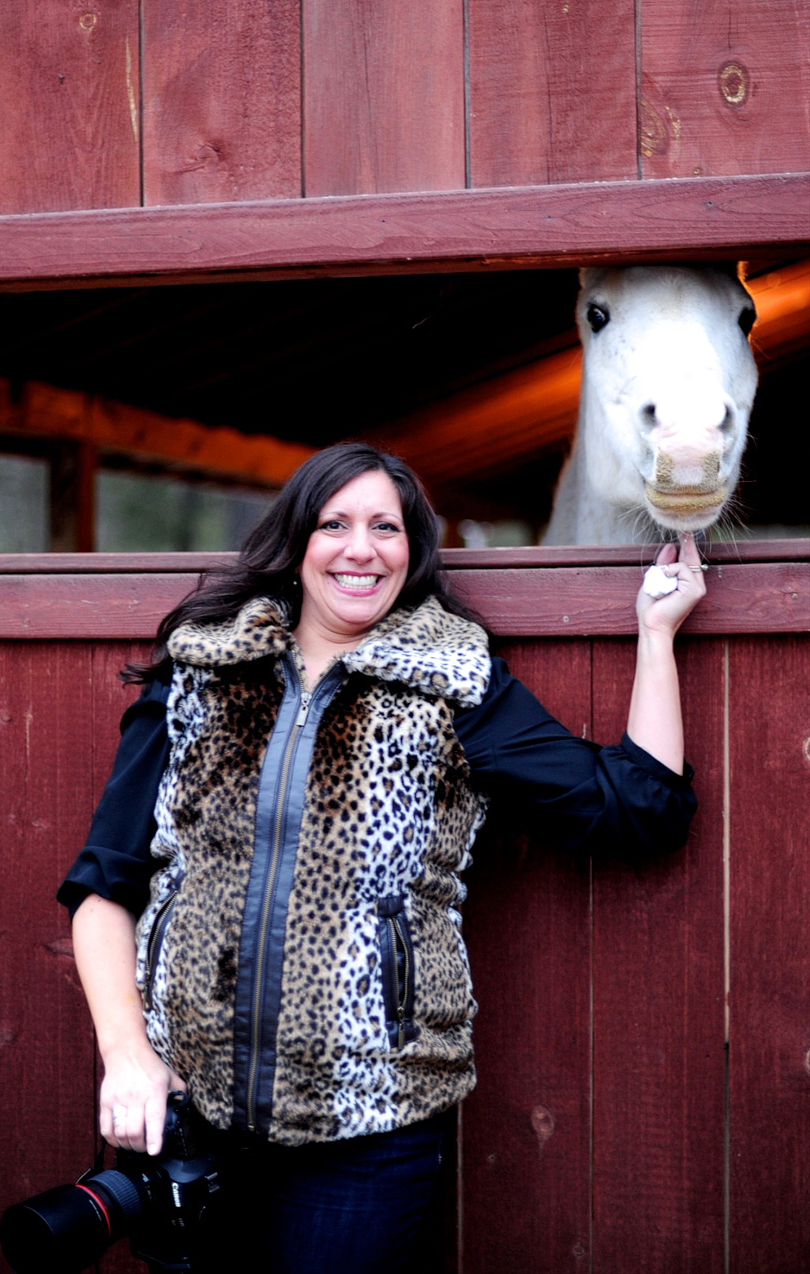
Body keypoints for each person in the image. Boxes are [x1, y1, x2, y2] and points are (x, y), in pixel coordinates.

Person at [58, 442, 705, 1273]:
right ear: (297, 542)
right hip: (187, 1115)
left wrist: (655, 630)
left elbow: (637, 810)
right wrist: (128, 1057)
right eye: (335, 523)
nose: (361, 548)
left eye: (385, 528)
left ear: (414, 549)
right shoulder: (198, 672)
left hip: (367, 1133)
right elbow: (103, 885)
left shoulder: (454, 685)